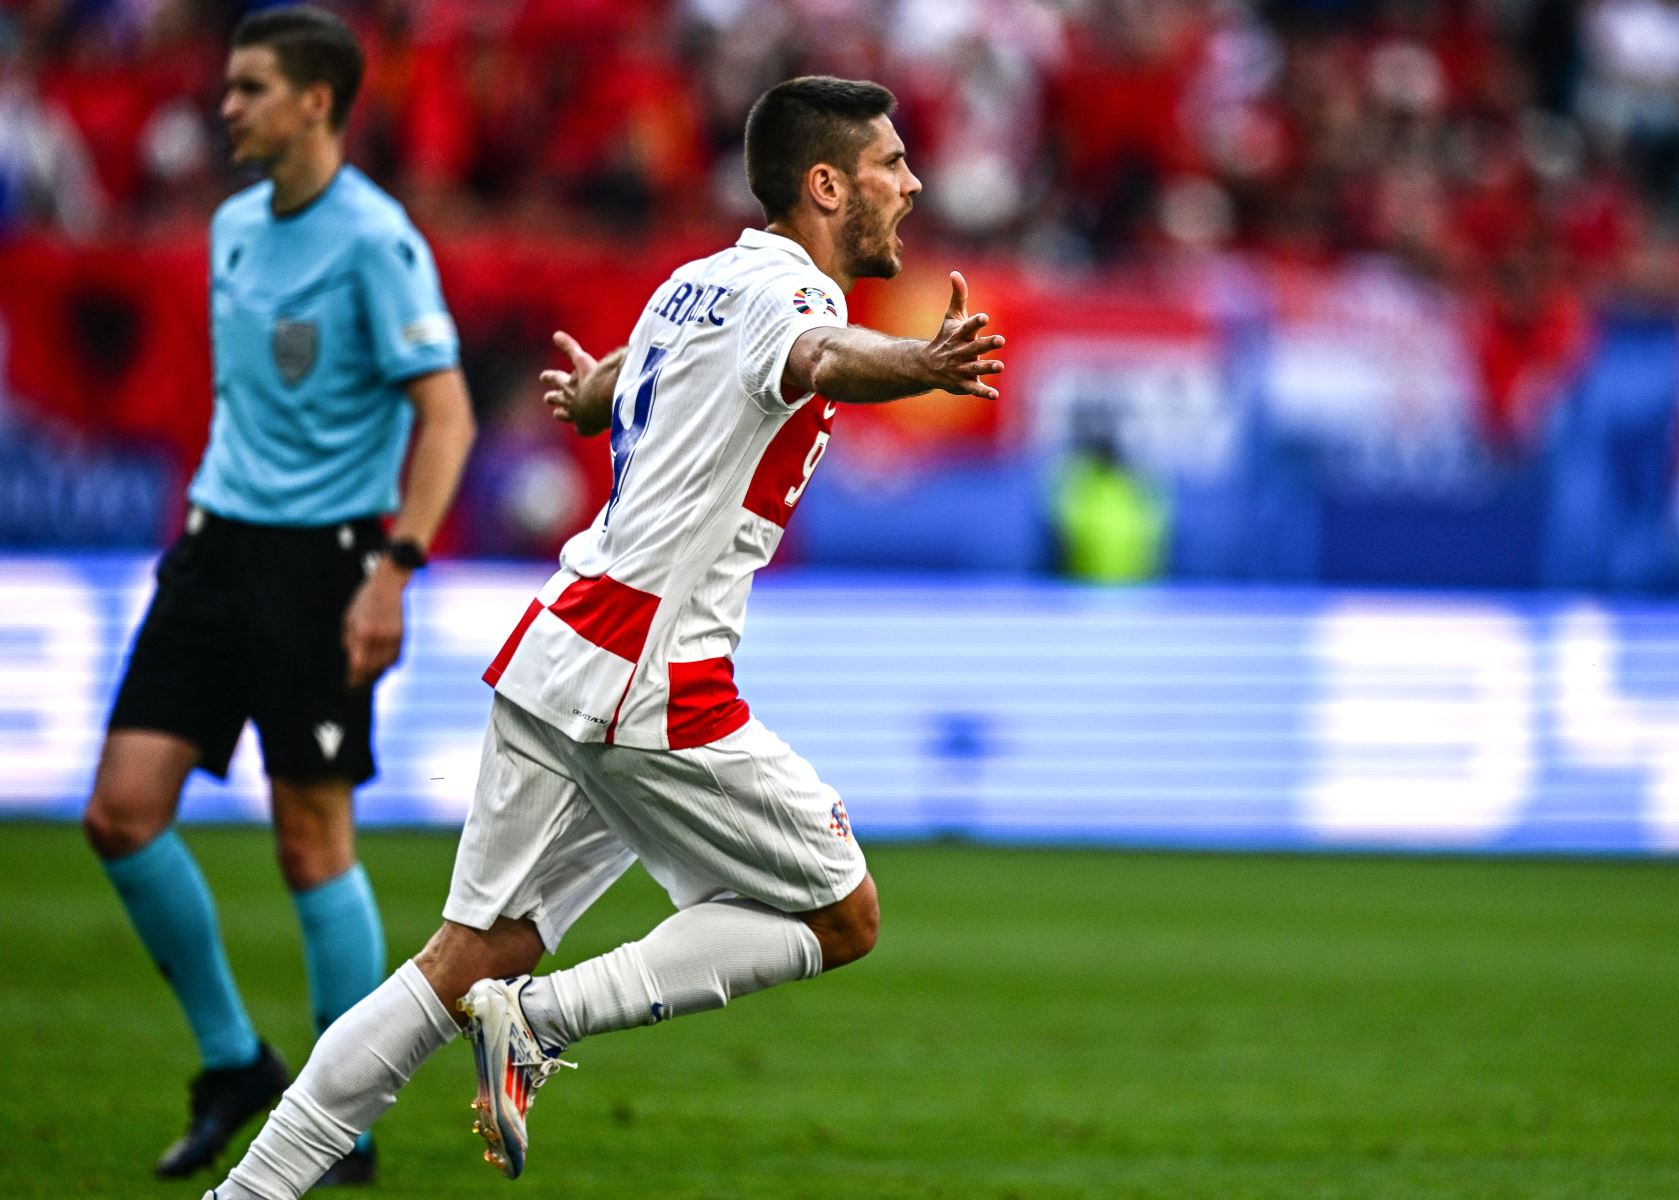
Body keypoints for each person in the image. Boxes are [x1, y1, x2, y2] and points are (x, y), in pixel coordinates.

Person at [199, 74, 1004, 1199]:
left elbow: (647, 367)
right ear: (826, 184)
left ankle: (248, 1192)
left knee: (454, 961)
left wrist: (596, 397)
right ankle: (538, 1023)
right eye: (891, 165)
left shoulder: (696, 283)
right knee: (842, 911)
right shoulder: (792, 303)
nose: (912, 185)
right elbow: (817, 359)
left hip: (558, 648)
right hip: (650, 674)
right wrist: (917, 364)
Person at [80, 5, 476, 1186]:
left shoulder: (377, 241)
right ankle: (233, 1063)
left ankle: (340, 1120)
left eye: (250, 88)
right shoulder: (234, 226)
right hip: (214, 549)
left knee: (311, 841)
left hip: (325, 564)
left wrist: (391, 571)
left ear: (316, 101)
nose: (226, 105)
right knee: (119, 814)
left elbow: (445, 413)